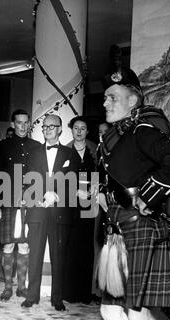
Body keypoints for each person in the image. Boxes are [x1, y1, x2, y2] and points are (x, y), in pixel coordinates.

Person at [97, 67, 170, 320]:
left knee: (124, 311)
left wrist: (147, 197)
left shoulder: (143, 130)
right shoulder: (118, 136)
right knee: (125, 312)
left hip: (139, 231)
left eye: (113, 97)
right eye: (105, 97)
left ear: (134, 99)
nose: (106, 103)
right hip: (119, 233)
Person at [21, 114, 74, 311]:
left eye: (53, 126)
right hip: (37, 208)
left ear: (60, 129)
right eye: (45, 127)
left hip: (60, 211)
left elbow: (73, 179)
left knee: (58, 256)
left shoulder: (70, 154)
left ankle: (57, 299)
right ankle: (31, 296)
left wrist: (56, 194)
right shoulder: (32, 152)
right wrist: (44, 193)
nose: (48, 129)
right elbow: (28, 178)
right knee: (34, 254)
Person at [0, 109, 39, 301]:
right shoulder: (2, 146)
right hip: (8, 202)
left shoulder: (37, 146)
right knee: (9, 245)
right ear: (13, 124)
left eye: (26, 122)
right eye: (19, 122)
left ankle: (21, 287)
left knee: (25, 245)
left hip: (29, 202)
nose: (23, 126)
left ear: (29, 124)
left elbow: (40, 176)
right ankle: (7, 287)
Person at [63, 116, 97, 304]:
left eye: (83, 128)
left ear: (87, 131)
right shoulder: (65, 150)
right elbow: (59, 178)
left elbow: (100, 174)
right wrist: (75, 192)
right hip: (71, 203)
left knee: (86, 245)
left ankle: (85, 293)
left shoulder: (95, 150)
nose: (79, 131)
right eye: (76, 128)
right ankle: (69, 292)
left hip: (89, 203)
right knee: (71, 245)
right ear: (71, 129)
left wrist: (95, 188)